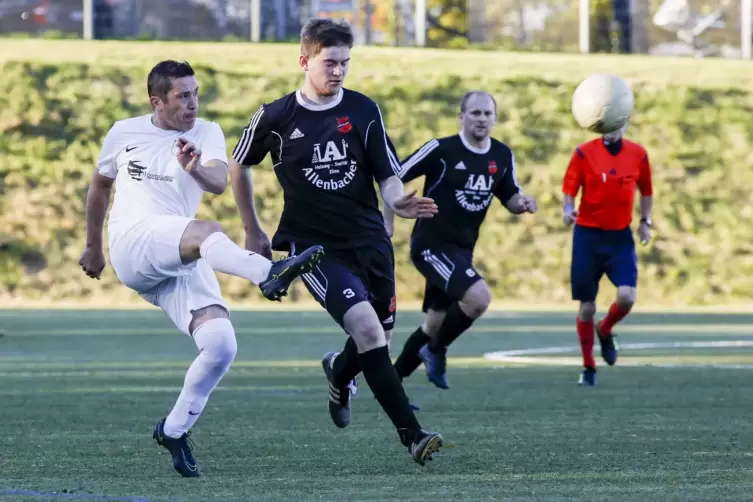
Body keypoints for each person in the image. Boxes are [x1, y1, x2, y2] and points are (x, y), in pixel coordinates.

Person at [78, 60, 324, 478]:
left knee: (221, 345)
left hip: (180, 251)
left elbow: (218, 180)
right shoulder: (123, 131)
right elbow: (100, 185)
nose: (192, 103)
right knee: (205, 230)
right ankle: (268, 274)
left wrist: (194, 167)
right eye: (182, 96)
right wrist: (92, 246)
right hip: (134, 244)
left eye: (195, 93)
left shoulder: (206, 131)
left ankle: (174, 430)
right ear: (157, 101)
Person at [229, 18, 443, 465]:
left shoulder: (364, 111)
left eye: (346, 62)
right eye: (330, 62)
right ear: (305, 60)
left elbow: (387, 173)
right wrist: (252, 228)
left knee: (375, 337)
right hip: (316, 250)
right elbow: (238, 164)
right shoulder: (276, 117)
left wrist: (399, 203)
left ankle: (339, 372)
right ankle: (413, 435)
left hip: (369, 242)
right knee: (368, 330)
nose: (339, 71)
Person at [385, 91, 537, 402]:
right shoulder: (442, 149)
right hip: (430, 246)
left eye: (487, 114)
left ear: (495, 119)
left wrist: (522, 203)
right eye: (475, 113)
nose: (481, 119)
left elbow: (509, 196)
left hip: (462, 250)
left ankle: (391, 388)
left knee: (435, 323)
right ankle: (436, 351)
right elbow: (393, 176)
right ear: (462, 117)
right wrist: (389, 218)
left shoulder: (502, 156)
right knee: (478, 299)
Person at [561, 124, 653, 386]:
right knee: (587, 306)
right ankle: (589, 366)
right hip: (587, 237)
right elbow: (569, 190)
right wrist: (568, 210)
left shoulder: (639, 154)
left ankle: (606, 328)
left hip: (619, 237)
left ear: (624, 122)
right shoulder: (583, 153)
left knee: (627, 297)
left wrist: (645, 221)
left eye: (617, 121)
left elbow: (646, 191)